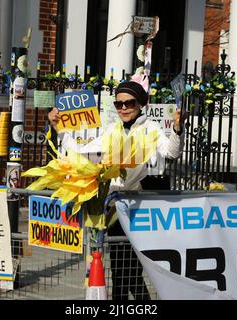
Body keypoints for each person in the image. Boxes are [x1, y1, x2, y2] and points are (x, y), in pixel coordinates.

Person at [48, 80, 187, 300]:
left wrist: (178, 129)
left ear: (140, 104)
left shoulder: (150, 128)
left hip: (138, 209)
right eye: (118, 104)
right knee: (119, 272)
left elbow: (171, 152)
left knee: (130, 273)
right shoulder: (112, 129)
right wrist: (60, 129)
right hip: (112, 208)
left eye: (129, 103)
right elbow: (84, 155)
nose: (123, 108)